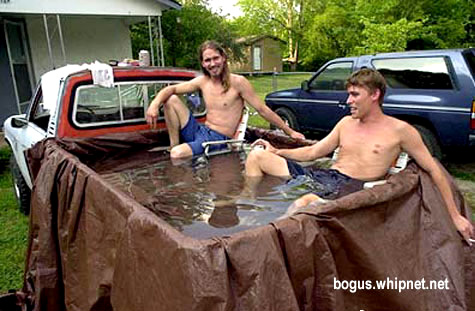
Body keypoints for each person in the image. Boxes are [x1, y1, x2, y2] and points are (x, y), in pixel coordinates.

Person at [245, 68, 474, 243]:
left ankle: (263, 241)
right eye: (349, 95)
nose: (348, 101)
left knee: (303, 202)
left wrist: (455, 216)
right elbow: (314, 151)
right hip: (325, 176)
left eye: (355, 95)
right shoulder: (346, 123)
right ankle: (250, 209)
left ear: (375, 95)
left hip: (354, 187)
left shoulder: (400, 131)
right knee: (257, 155)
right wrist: (277, 151)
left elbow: (434, 169)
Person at [146, 40, 305, 158]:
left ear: (223, 58)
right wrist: (154, 105)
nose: (212, 64)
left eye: (215, 58)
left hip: (218, 139)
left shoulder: (238, 83)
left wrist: (290, 132)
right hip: (200, 131)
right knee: (170, 99)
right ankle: (173, 144)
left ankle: (177, 150)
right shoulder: (203, 81)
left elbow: (262, 110)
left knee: (177, 154)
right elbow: (171, 89)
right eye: (207, 60)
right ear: (202, 63)